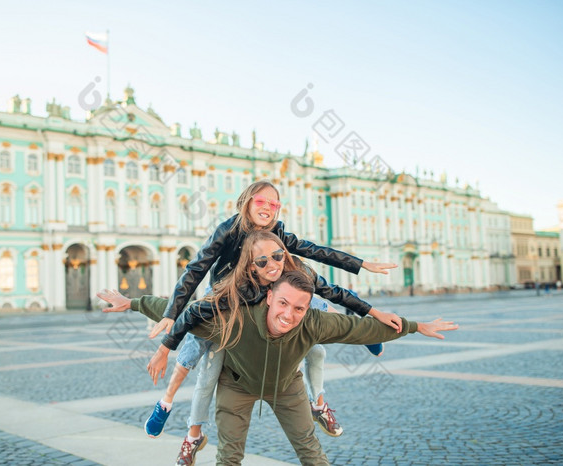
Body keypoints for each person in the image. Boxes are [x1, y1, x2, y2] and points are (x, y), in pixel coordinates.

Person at [140, 180, 395, 460]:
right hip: (229, 294)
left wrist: (360, 267)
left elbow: (314, 251)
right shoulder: (227, 230)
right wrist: (170, 317)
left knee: (317, 307)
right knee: (202, 360)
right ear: (247, 201)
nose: (268, 208)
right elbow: (196, 269)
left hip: (267, 288)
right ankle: (170, 410)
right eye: (261, 201)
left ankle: (357, 350)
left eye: (274, 204)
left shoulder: (278, 234)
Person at [97, 270, 457, 465]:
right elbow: (181, 309)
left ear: (307, 309)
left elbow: (361, 328)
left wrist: (415, 326)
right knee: (229, 456)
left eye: (299, 308)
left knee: (311, 450)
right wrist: (132, 302)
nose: (289, 314)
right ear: (269, 297)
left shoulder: (314, 323)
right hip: (236, 387)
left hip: (287, 387)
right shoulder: (234, 319)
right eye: (283, 303)